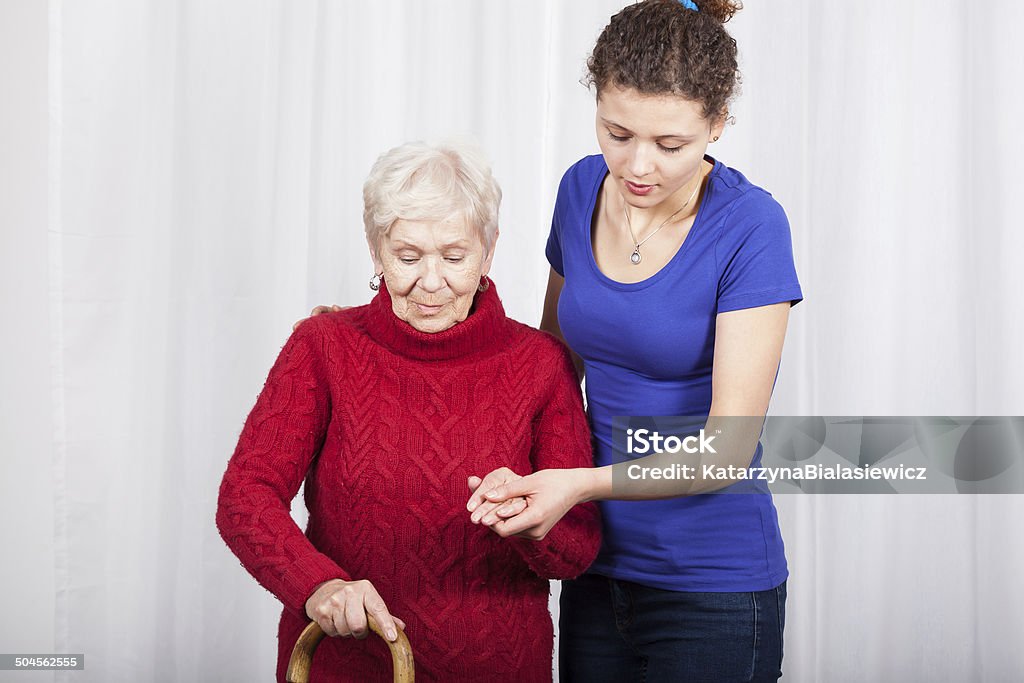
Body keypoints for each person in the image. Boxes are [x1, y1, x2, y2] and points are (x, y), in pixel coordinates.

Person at [465, 1, 803, 681]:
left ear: (717, 123)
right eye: (616, 132)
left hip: (715, 587)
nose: (637, 164)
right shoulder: (581, 189)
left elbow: (727, 447)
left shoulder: (751, 226)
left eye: (670, 145)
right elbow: (552, 364)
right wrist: (386, 329)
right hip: (593, 565)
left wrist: (578, 485)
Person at [216, 140, 601, 683]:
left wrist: (531, 525)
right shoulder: (322, 347)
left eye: (454, 255)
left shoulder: (542, 365)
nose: (431, 282)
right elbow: (245, 496)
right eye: (407, 255)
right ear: (376, 250)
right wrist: (318, 586)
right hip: (347, 666)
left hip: (498, 667)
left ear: (488, 252)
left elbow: (578, 550)